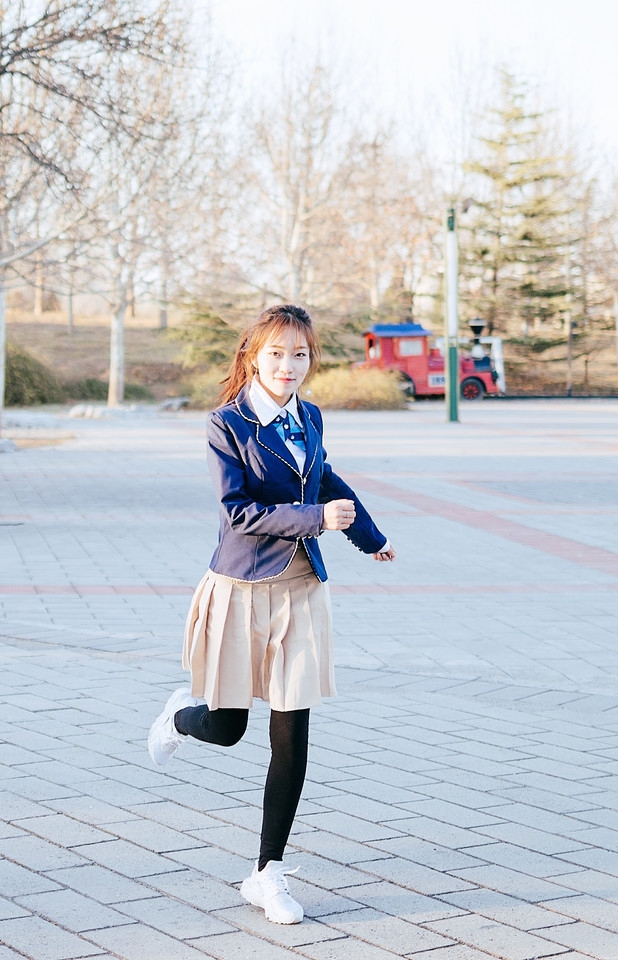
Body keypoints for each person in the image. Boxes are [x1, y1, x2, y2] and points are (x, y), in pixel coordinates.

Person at [148, 303, 396, 925]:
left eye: (301, 354)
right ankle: (180, 716)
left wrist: (369, 536)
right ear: (253, 357)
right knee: (228, 727)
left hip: (301, 591)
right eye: (277, 353)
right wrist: (316, 519)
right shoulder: (226, 424)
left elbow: (326, 480)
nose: (289, 365)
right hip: (240, 588)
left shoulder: (309, 416)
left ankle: (267, 873)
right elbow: (238, 513)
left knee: (292, 732)